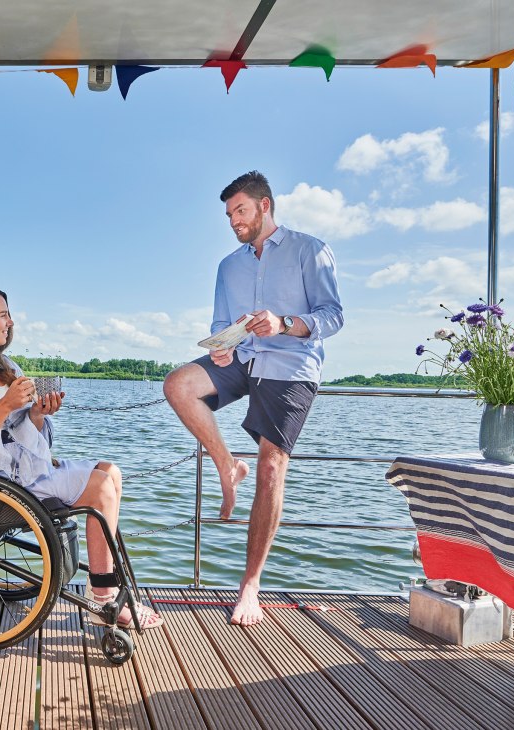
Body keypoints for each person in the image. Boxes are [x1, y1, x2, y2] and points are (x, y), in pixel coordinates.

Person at [163, 171, 343, 626]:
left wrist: (283, 323)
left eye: (239, 210)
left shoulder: (310, 250)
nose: (233, 221)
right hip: (242, 360)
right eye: (228, 214)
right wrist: (221, 346)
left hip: (291, 365)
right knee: (178, 385)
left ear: (264, 206)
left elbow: (332, 316)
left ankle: (250, 585)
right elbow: (223, 322)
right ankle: (226, 465)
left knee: (270, 467)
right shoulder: (228, 266)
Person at [0, 283, 162, 629]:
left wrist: (39, 413)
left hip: (24, 470)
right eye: (3, 314)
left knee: (112, 472)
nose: (10, 322)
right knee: (100, 488)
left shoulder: (6, 365)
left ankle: (108, 581)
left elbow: (25, 431)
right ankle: (102, 597)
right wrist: (5, 405)